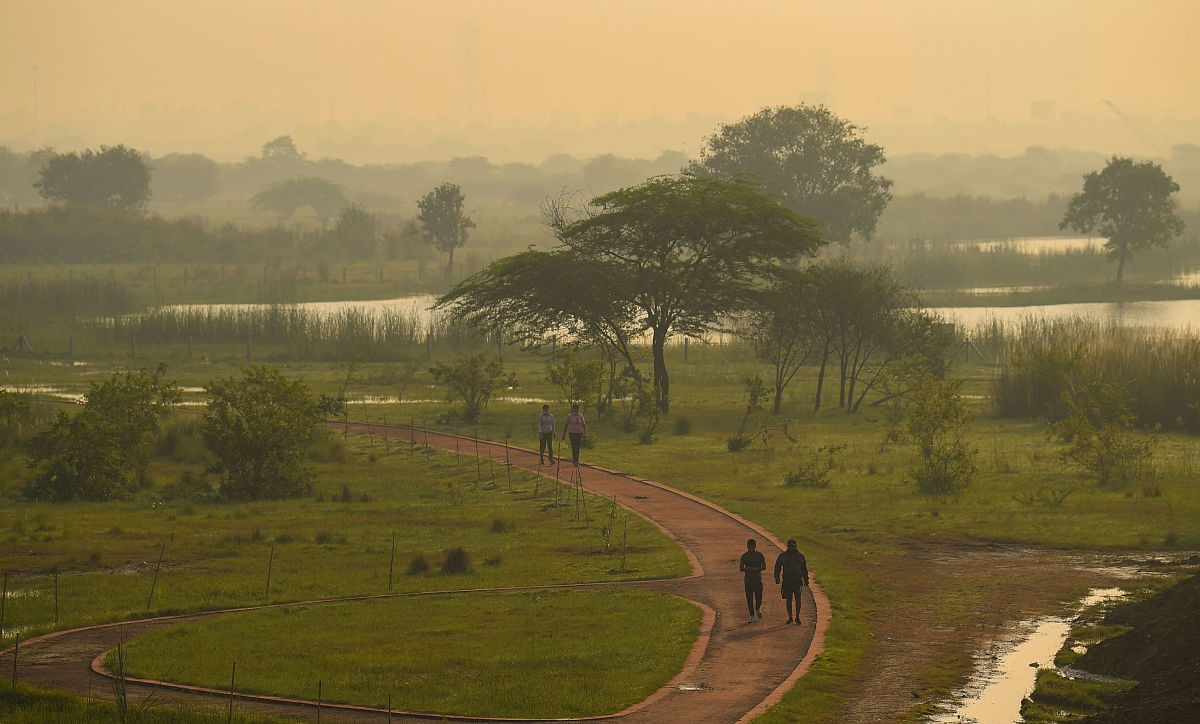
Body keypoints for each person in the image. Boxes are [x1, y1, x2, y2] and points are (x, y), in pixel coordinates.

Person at [774, 539, 809, 624]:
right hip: (787, 581)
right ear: (787, 546)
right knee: (788, 599)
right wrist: (776, 577)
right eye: (790, 546)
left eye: (793, 546)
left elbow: (804, 569)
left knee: (798, 599)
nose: (791, 548)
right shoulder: (783, 556)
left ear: (795, 546)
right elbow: (777, 567)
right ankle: (790, 617)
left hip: (797, 581)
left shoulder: (800, 556)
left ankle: (797, 617)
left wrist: (806, 579)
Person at [739, 538, 767, 623]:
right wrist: (748, 569)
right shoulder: (744, 556)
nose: (750, 548)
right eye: (749, 546)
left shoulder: (760, 555)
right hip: (748, 580)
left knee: (759, 597)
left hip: (758, 580)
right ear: (747, 546)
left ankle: (757, 608)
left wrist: (757, 568)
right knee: (749, 599)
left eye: (752, 546)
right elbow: (741, 568)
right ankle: (751, 615)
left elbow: (764, 566)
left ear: (755, 546)